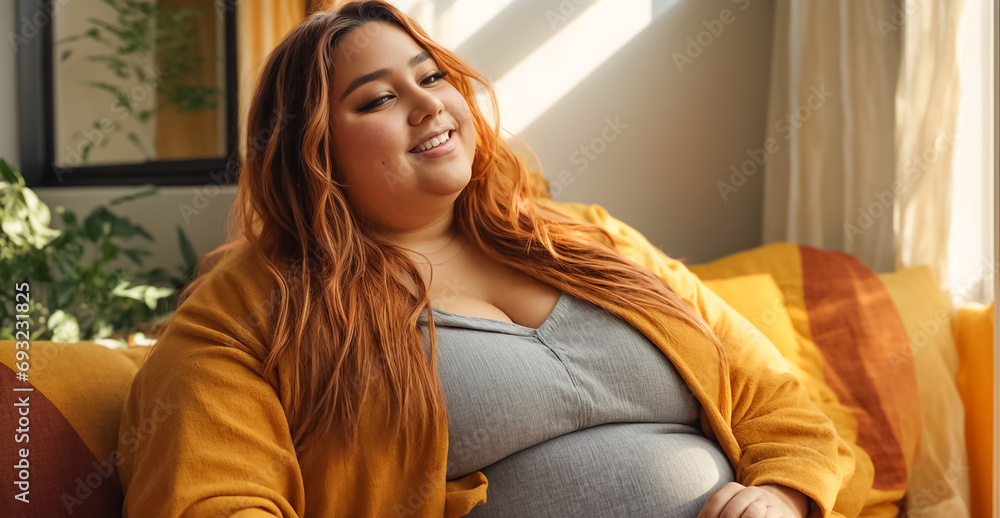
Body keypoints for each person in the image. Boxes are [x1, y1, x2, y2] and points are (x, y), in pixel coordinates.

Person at [117, 2, 860, 517]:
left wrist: (782, 494)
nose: (429, 104)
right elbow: (209, 500)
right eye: (376, 100)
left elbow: (778, 400)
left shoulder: (591, 239)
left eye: (431, 76)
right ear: (313, 151)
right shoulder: (249, 308)